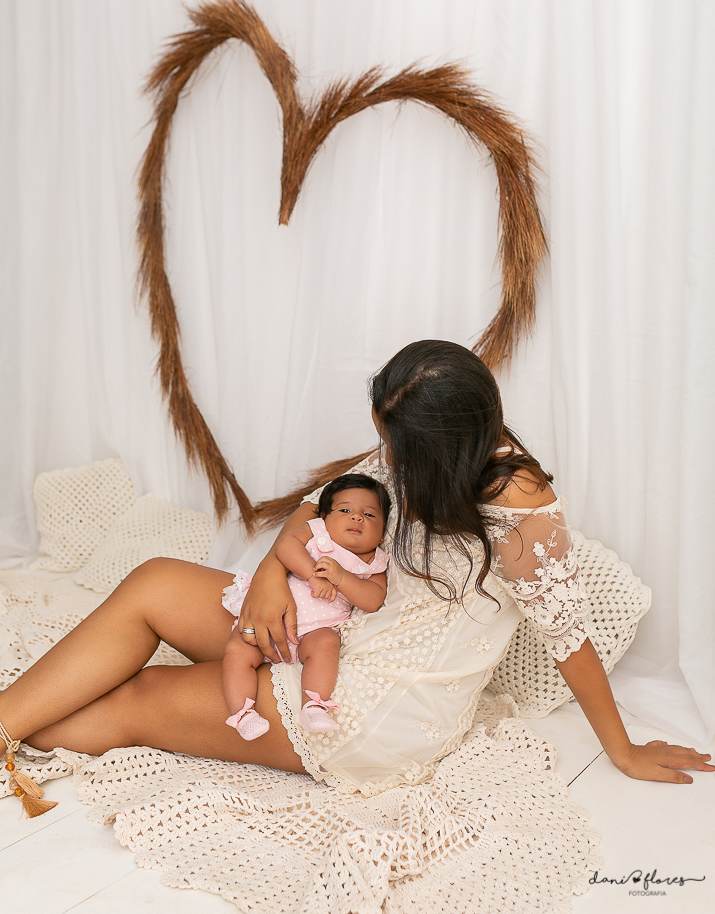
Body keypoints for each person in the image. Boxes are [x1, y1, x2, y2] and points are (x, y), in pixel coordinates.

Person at [0, 340, 712, 795]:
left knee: (141, 695)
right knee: (154, 580)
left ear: (440, 440)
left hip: (380, 702)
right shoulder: (414, 442)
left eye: (393, 441)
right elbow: (314, 512)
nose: (384, 453)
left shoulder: (516, 503)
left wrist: (621, 750)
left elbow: (568, 636)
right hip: (334, 622)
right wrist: (271, 578)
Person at [221, 473, 389, 739]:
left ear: (381, 535)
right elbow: (285, 546)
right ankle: (243, 714)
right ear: (324, 518)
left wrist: (341, 577)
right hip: (268, 621)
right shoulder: (316, 533)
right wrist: (312, 575)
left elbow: (374, 599)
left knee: (326, 645)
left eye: (369, 515)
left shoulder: (373, 562)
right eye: (345, 510)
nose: (357, 518)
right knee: (237, 651)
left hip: (315, 632)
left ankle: (314, 705)